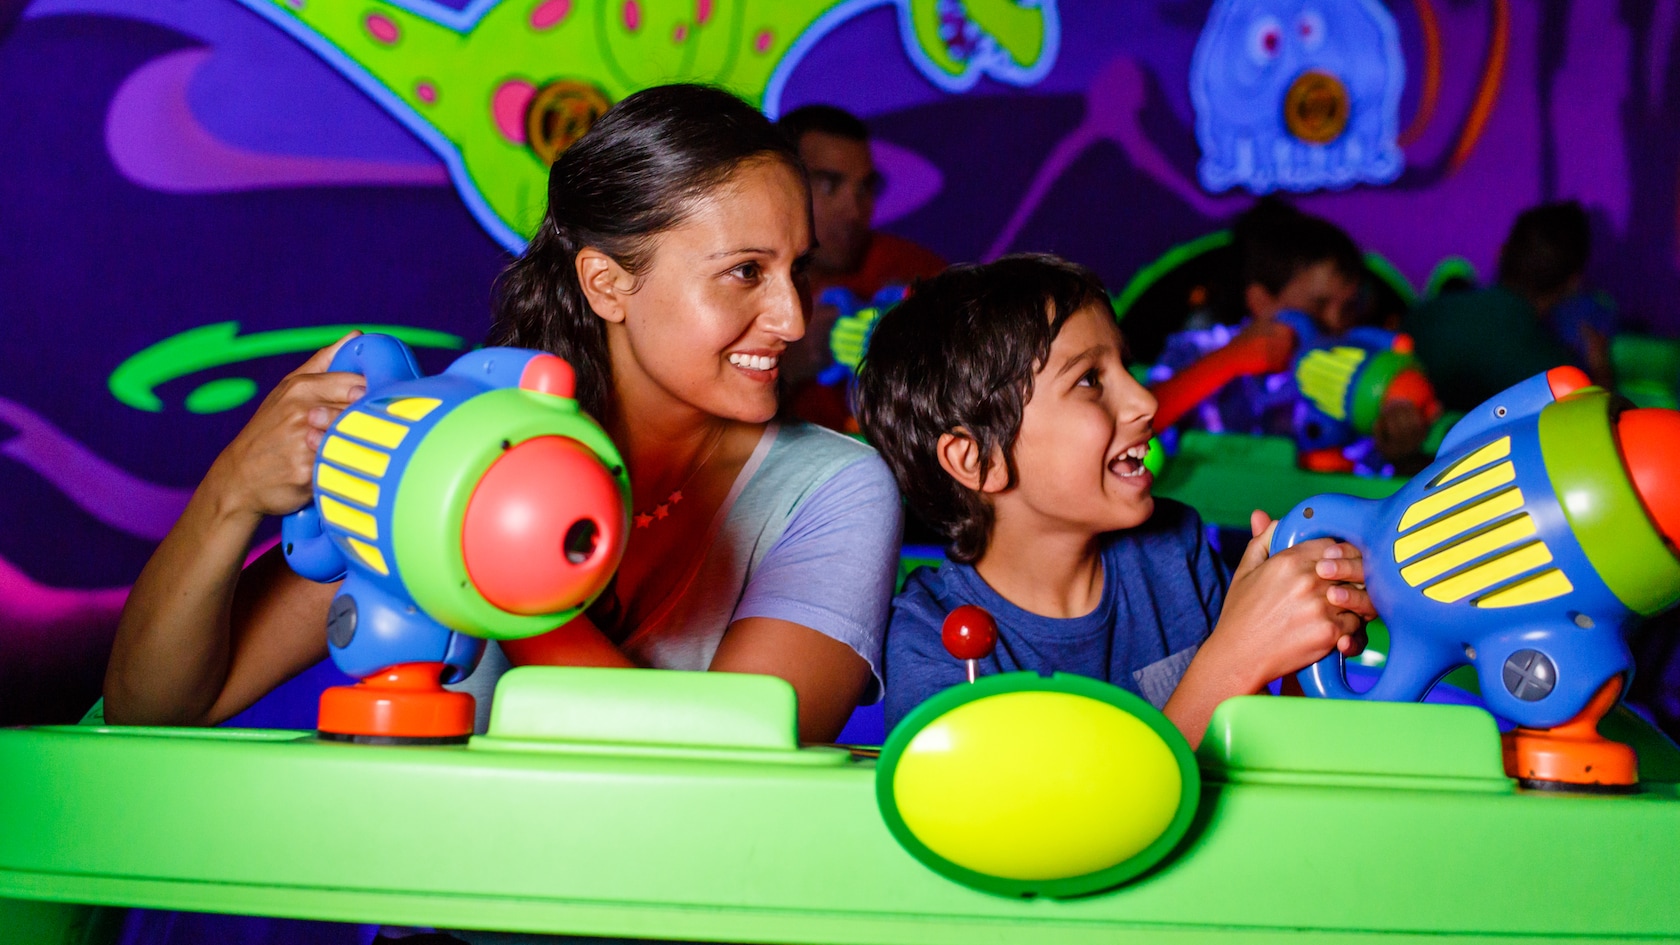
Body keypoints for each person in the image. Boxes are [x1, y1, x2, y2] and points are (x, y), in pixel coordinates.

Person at [104, 84, 902, 746]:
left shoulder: (832, 486)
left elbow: (742, 764)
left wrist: (489, 550)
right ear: (607, 284)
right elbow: (155, 708)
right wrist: (233, 489)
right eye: (744, 273)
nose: (794, 320)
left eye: (796, 271)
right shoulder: (445, 445)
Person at [855, 254, 1374, 743]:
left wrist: (1304, 644)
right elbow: (1041, 830)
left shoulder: (1175, 549)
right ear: (978, 460)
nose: (1146, 401)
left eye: (1125, 367)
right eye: (1088, 380)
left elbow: (1257, 745)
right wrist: (1235, 656)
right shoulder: (932, 636)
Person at [1149, 198, 1428, 469]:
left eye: (1348, 307)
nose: (1334, 321)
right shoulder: (1199, 348)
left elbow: (1370, 471)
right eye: (1317, 304)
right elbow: (1139, 421)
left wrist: (1399, 448)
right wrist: (1230, 360)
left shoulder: (1354, 370)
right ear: (1261, 301)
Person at [775, 104, 946, 428]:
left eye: (865, 187)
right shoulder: (743, 285)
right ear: (779, 183)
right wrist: (787, 370)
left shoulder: (915, 270)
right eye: (829, 185)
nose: (854, 211)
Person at [1403, 201, 1589, 411]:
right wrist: (1600, 372)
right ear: (1573, 283)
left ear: (1501, 252)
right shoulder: (1555, 376)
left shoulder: (1422, 316)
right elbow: (1581, 419)